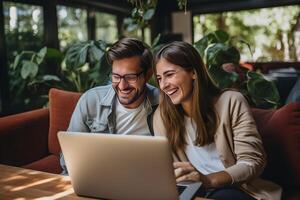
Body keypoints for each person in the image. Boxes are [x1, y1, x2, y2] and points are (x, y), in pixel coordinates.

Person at [152, 41, 282, 200]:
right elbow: (168, 170)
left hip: (238, 189)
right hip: (193, 191)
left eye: (169, 74)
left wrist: (206, 180)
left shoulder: (231, 101)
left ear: (193, 72)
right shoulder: (162, 116)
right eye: (159, 78)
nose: (163, 85)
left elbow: (252, 163)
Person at [60, 38, 159, 175]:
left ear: (148, 75)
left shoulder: (163, 104)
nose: (122, 86)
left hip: (141, 180)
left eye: (130, 77)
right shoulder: (91, 100)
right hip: (94, 177)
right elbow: (68, 157)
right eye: (116, 76)